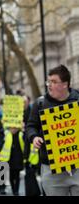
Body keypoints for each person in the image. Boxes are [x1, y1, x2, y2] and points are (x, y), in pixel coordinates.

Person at [26, 64, 79, 196]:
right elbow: (31, 126)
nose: (49, 85)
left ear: (65, 84)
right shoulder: (40, 104)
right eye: (48, 81)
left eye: (54, 82)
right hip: (51, 169)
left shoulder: (78, 100)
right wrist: (34, 137)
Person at [0, 127, 25, 196]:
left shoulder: (21, 134)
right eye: (12, 128)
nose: (13, 129)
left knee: (16, 175)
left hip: (18, 158)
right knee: (7, 175)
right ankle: (3, 188)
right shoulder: (6, 133)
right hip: (6, 158)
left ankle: (16, 190)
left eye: (15, 128)